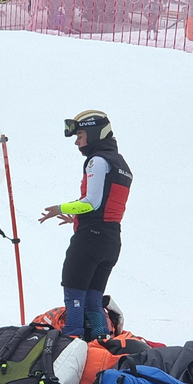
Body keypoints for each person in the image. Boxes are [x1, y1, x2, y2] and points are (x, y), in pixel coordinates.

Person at [39, 111, 132, 340]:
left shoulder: (97, 161)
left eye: (80, 135)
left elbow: (92, 202)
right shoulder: (122, 164)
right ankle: (100, 343)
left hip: (89, 240)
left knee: (74, 298)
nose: (77, 142)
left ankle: (72, 345)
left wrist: (62, 208)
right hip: (111, 240)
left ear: (93, 133)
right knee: (93, 299)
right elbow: (109, 206)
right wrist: (80, 218)